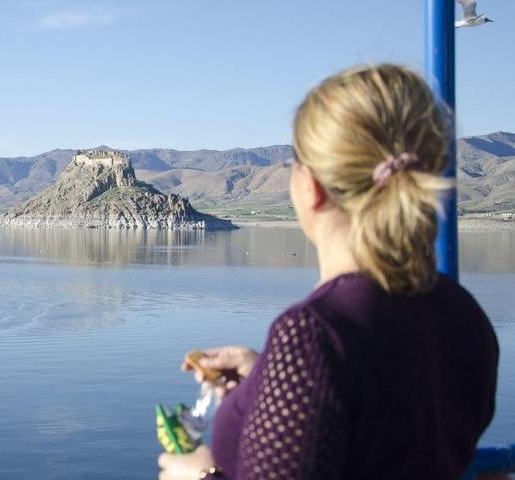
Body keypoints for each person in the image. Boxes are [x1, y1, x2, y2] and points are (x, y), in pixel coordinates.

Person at [157, 64, 499, 480]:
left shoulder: (313, 335)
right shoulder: (463, 313)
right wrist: (269, 378)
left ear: (311, 186)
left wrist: (200, 474)